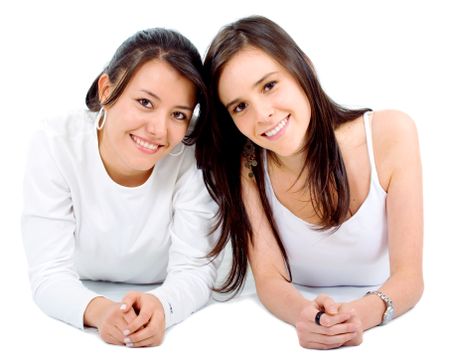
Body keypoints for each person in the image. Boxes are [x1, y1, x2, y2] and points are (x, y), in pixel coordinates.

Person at [194, 16, 423, 350]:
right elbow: (270, 280)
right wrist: (309, 317)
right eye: (240, 106)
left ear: (304, 69)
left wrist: (359, 314)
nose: (263, 115)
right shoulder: (249, 165)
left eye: (269, 85)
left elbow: (410, 277)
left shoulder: (389, 135)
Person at [21, 28, 220, 348]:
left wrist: (162, 306)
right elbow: (48, 273)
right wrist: (99, 311)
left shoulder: (193, 154)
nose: (158, 129)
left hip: (162, 287)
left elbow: (195, 270)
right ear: (107, 89)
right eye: (144, 102)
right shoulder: (56, 144)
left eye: (178, 114)